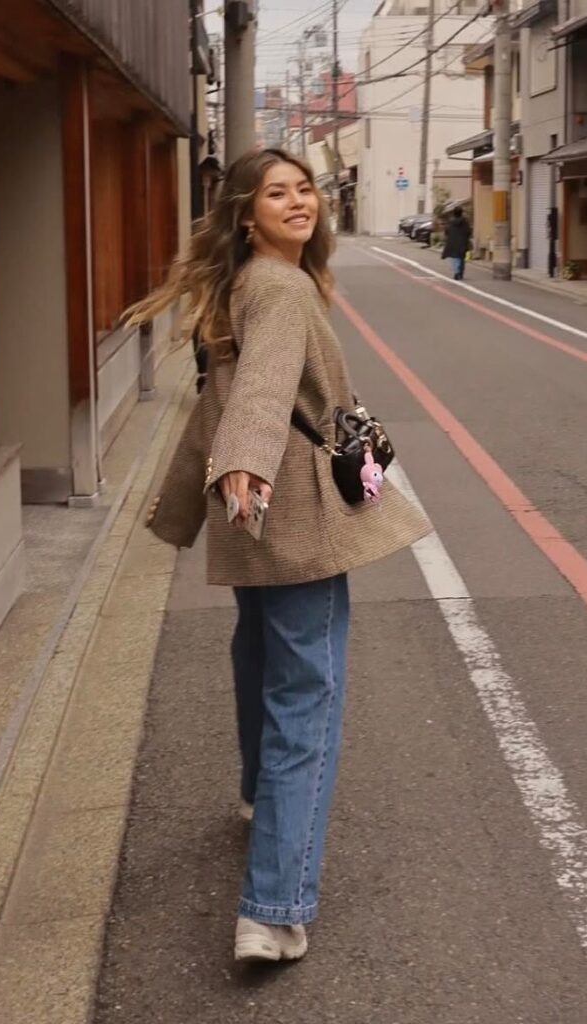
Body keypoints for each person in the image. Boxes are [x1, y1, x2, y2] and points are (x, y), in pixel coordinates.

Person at [129, 149, 431, 965]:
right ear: (245, 213)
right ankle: (273, 907)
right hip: (290, 518)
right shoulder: (282, 288)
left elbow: (218, 400)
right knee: (308, 696)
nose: (299, 202)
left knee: (260, 657)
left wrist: (203, 498)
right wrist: (249, 464)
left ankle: (259, 800)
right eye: (277, 193)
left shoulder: (244, 285)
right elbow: (260, 391)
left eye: (306, 190)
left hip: (250, 521)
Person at [441, 206, 472, 281]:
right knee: (461, 258)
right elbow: (468, 232)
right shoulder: (465, 222)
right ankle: (460, 273)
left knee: (454, 258)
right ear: (461, 213)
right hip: (462, 243)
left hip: (452, 242)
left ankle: (456, 272)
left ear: (454, 213)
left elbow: (447, 232)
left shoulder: (451, 222)